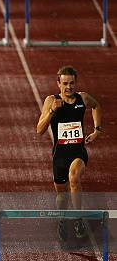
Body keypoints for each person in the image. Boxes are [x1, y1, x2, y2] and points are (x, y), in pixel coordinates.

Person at [36, 65, 102, 241]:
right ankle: (62, 219)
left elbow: (96, 106)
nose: (69, 87)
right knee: (61, 196)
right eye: (65, 83)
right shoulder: (51, 101)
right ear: (58, 83)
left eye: (72, 83)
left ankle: (78, 219)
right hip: (59, 156)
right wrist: (52, 111)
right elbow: (39, 130)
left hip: (78, 153)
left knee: (74, 178)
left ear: (76, 83)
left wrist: (97, 130)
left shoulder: (83, 98)